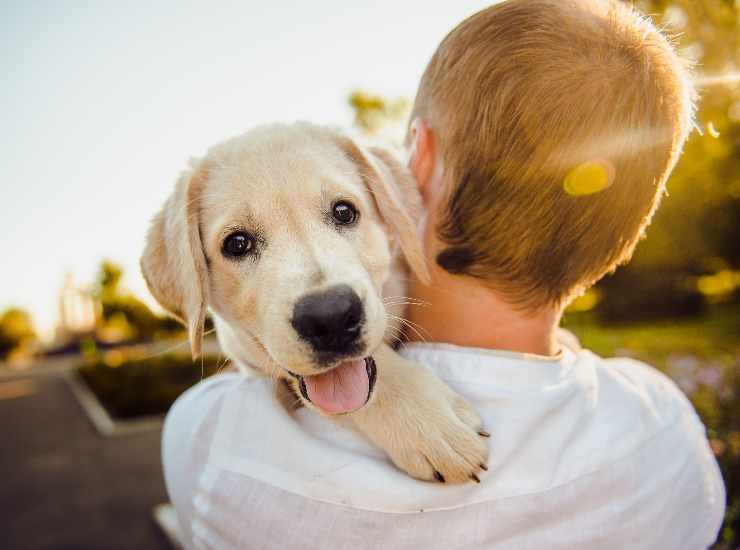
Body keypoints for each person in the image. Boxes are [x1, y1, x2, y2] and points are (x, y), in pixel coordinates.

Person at [162, 1, 725, 548]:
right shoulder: (666, 428)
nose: (321, 288)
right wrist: (383, 389)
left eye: (342, 213)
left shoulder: (215, 442)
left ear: (417, 162)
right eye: (240, 244)